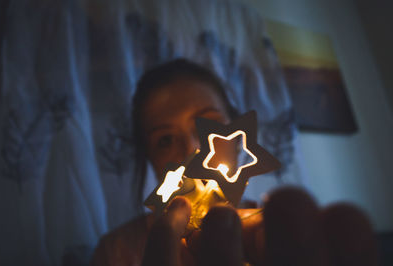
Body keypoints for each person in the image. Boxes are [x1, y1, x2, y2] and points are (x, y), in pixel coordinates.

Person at [91, 59, 378, 266]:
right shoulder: (115, 253)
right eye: (165, 139)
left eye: (210, 124)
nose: (193, 151)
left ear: (237, 133)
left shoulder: (277, 235)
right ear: (148, 156)